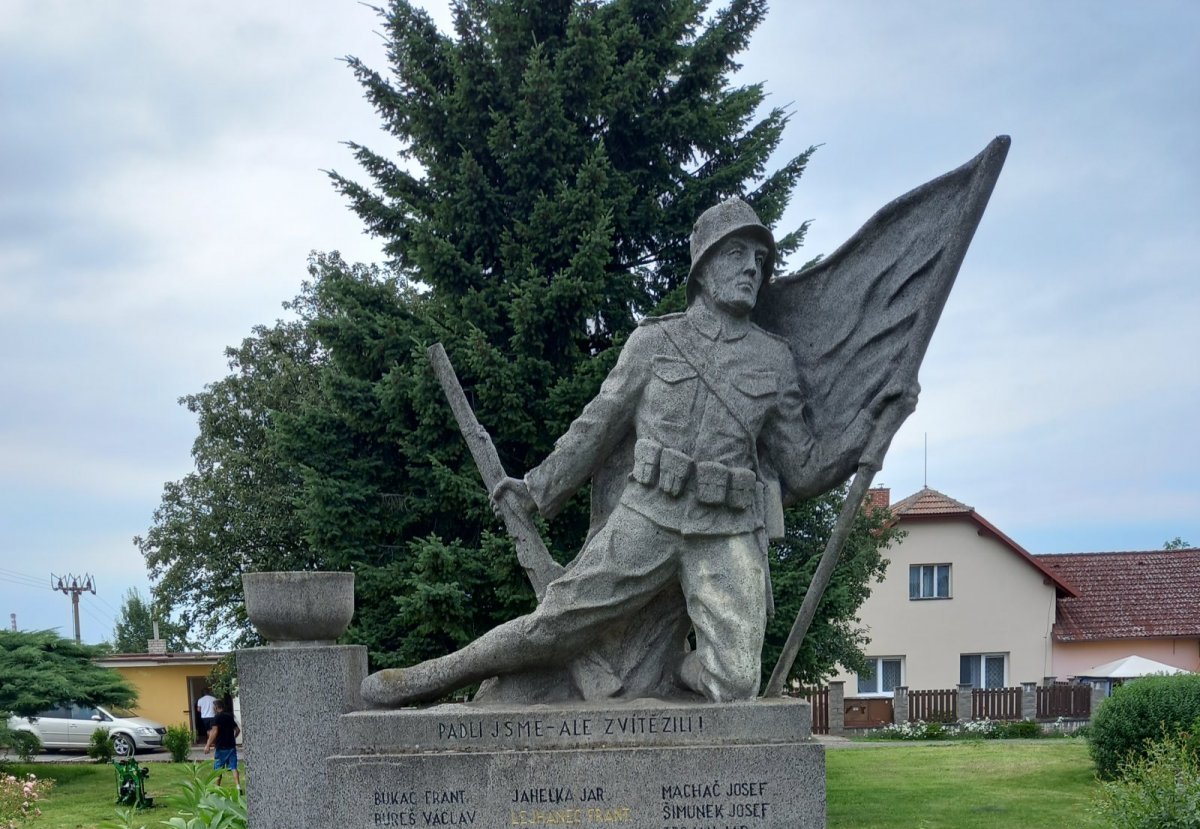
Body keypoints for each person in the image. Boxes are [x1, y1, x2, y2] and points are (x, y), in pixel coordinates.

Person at [362, 197, 913, 708]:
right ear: (704, 267)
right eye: (738, 254)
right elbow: (596, 425)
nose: (754, 268)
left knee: (736, 682)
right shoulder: (655, 342)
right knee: (554, 622)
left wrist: (873, 426)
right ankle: (431, 676)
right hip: (648, 513)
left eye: (761, 259)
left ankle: (670, 668)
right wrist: (534, 488)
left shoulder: (774, 360)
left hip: (726, 527)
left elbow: (804, 465)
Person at [205, 697, 241, 790]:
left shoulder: (216, 718)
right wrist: (233, 738)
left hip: (221, 747)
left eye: (213, 707)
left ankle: (217, 788)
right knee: (233, 766)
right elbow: (237, 730)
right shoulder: (229, 716)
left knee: (218, 768)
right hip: (231, 746)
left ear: (216, 707)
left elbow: (214, 732)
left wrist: (208, 745)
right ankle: (238, 787)